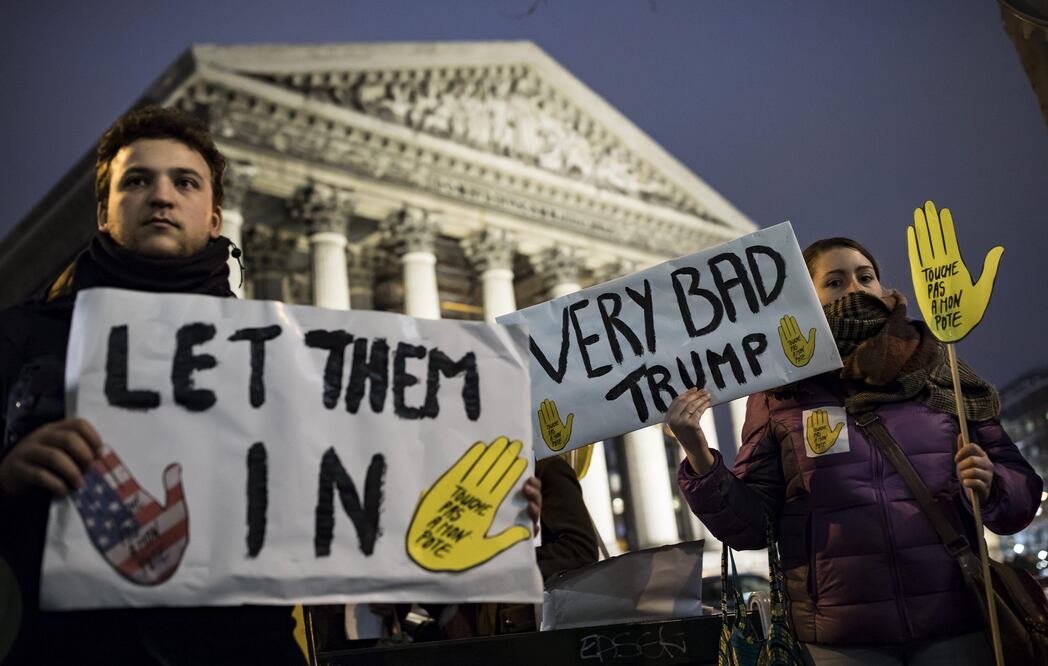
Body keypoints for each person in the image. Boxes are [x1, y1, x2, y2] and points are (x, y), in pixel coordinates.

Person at [0, 106, 306, 665]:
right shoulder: (19, 337)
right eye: (137, 180)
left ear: (215, 218)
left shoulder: (282, 357)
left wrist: (504, 509)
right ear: (103, 212)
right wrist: (5, 478)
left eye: (184, 182)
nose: (161, 196)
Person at [668, 237, 1042, 665]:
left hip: (956, 621)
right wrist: (699, 456)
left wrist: (994, 486)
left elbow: (1020, 499)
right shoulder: (779, 392)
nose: (855, 288)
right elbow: (753, 528)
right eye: (835, 281)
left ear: (884, 289)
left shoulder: (942, 369)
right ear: (806, 300)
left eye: (866, 277)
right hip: (841, 640)